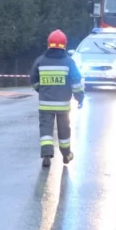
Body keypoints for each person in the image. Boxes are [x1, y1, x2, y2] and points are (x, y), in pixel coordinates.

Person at [29, 29, 84, 168]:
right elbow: (76, 81)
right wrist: (79, 97)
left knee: (46, 130)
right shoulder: (69, 62)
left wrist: (40, 90)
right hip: (63, 106)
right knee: (64, 130)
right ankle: (66, 155)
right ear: (64, 46)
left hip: (45, 104)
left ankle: (47, 155)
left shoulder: (40, 61)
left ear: (49, 44)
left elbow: (33, 79)